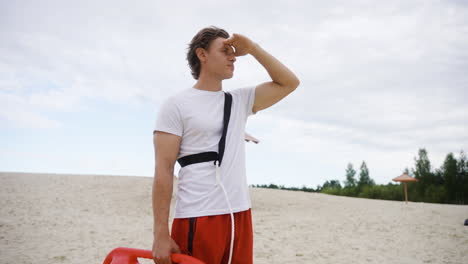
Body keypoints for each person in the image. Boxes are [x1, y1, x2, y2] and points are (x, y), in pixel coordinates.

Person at [152, 26, 300, 264]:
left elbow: (289, 83)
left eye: (234, 51)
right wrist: (160, 233)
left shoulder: (239, 101)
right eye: (225, 50)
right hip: (198, 217)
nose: (233, 57)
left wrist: (252, 49)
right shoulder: (176, 104)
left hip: (239, 215)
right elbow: (164, 169)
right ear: (202, 55)